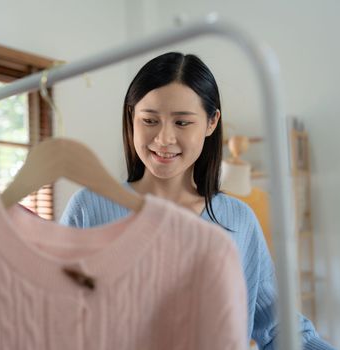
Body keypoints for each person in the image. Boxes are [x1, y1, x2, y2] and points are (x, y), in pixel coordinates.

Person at [59, 52, 334, 349]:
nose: (163, 138)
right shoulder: (89, 209)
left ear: (211, 122)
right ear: (131, 118)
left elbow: (281, 330)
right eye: (150, 120)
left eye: (182, 123)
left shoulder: (237, 220)